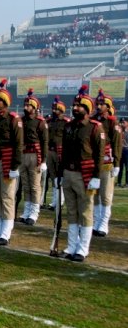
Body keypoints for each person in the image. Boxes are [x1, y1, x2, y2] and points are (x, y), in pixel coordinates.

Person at [58, 87, 104, 262]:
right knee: (71, 211)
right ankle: (71, 245)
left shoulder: (95, 128)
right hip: (69, 172)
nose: (75, 108)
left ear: (87, 108)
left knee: (85, 212)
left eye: (79, 106)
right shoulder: (68, 126)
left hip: (85, 174)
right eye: (75, 105)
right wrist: (60, 173)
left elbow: (99, 154)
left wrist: (96, 176)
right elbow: (65, 151)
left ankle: (83, 248)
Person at [0, 79, 22, 246]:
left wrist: (15, 166)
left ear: (6, 102)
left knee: (7, 197)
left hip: (7, 162)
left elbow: (18, 144)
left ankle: (6, 231)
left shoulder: (14, 119)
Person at [92, 89, 122, 237]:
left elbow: (117, 144)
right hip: (93, 162)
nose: (99, 106)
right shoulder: (93, 120)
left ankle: (104, 223)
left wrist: (116, 163)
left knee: (105, 194)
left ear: (108, 106)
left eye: (102, 104)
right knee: (95, 194)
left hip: (107, 162)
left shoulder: (112, 122)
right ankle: (96, 220)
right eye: (98, 103)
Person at [18, 89, 48, 225]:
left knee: (35, 185)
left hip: (35, 155)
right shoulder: (21, 120)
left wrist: (44, 161)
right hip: (23, 154)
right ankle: (27, 210)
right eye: (25, 105)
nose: (26, 108)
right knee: (26, 184)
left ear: (35, 107)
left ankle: (34, 212)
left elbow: (44, 142)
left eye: (29, 105)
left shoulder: (40, 122)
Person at [46, 96, 70, 210]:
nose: (53, 111)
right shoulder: (50, 121)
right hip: (50, 150)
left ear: (61, 110)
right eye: (53, 109)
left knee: (60, 177)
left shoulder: (66, 122)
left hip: (60, 151)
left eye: (56, 109)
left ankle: (60, 201)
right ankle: (54, 201)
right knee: (53, 177)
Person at [118, 118, 128, 187]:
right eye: (121, 122)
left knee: (127, 168)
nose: (122, 124)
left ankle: (127, 183)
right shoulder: (119, 131)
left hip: (127, 150)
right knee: (119, 167)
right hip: (120, 150)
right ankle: (119, 182)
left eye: (123, 122)